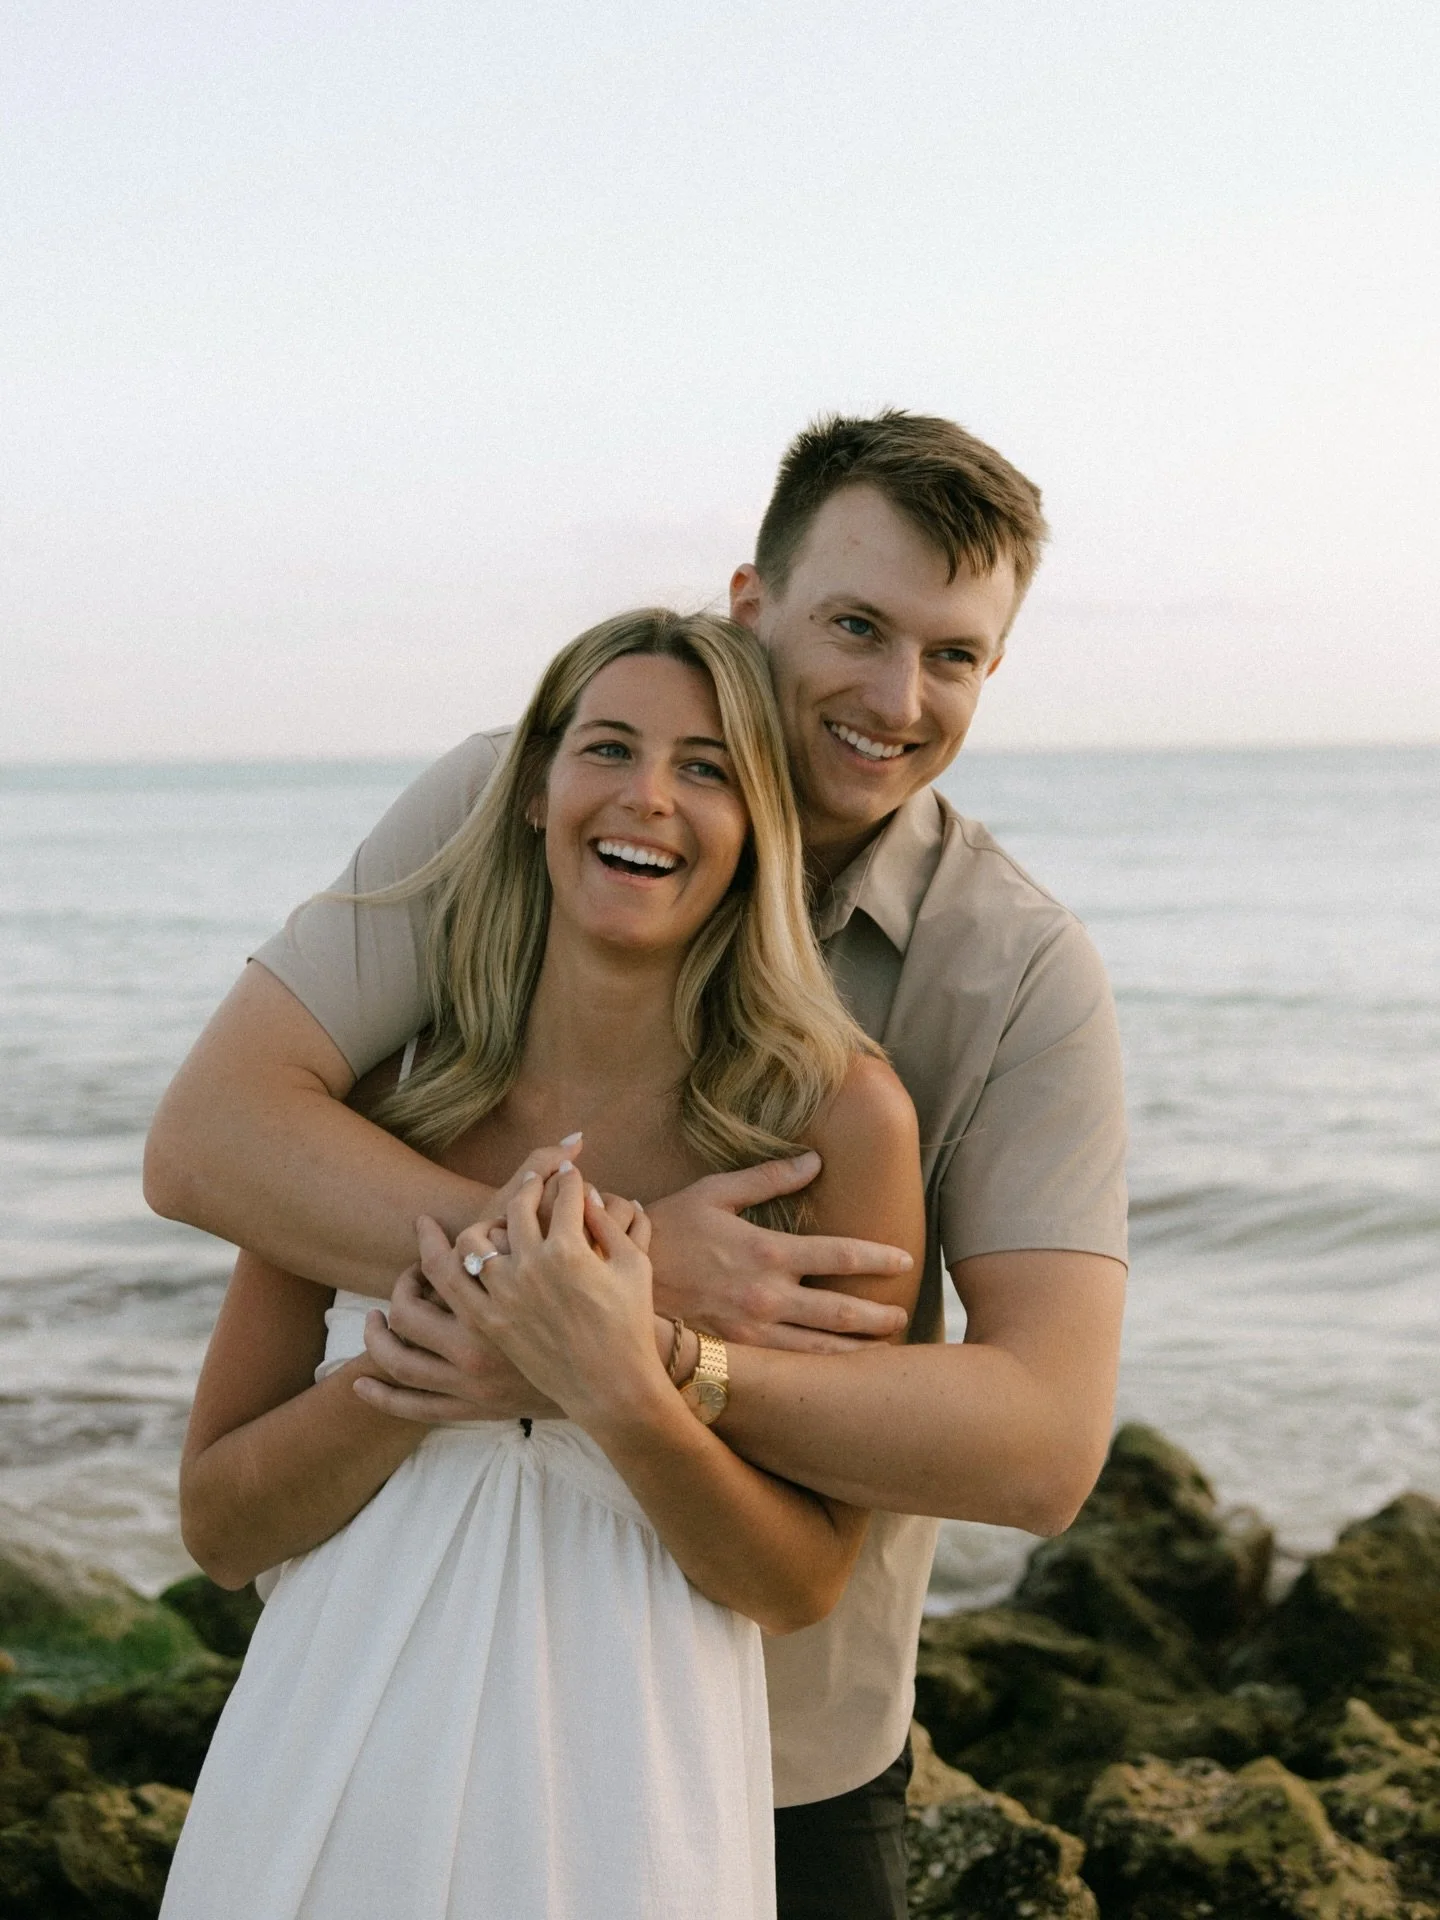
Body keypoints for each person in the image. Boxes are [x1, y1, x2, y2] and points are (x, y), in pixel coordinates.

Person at [146, 410, 1129, 1920]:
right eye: (857, 625)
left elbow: (1041, 1445)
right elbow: (215, 1142)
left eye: (955, 656)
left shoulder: (1004, 978)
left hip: (773, 1754)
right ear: (753, 605)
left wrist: (629, 1348)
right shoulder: (515, 809)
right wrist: (596, 1269)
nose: (893, 696)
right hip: (376, 1714)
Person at [159, 610, 925, 1920]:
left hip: (630, 1812)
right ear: (532, 789)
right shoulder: (378, 1106)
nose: (647, 797)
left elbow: (800, 1585)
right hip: (327, 1772)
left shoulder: (834, 1129)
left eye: (706, 766)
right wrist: (429, 1364)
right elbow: (222, 1525)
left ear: (759, 824)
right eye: (609, 747)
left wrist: (619, 1385)